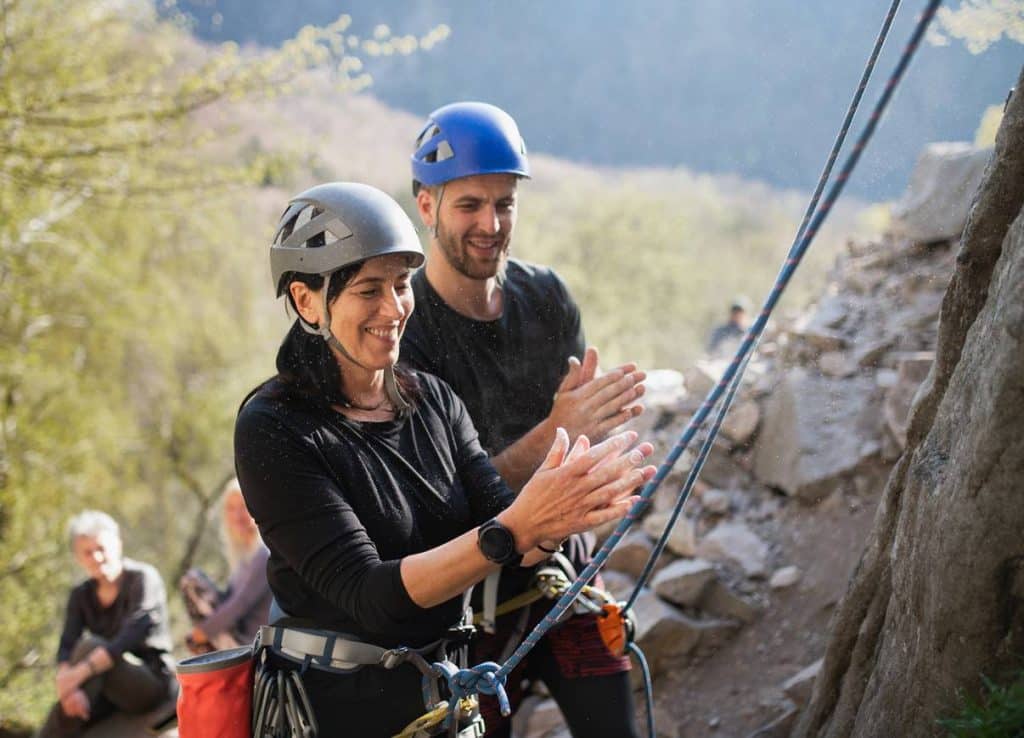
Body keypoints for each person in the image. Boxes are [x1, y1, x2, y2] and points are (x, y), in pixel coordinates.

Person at [234, 181, 656, 737]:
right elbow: (371, 595)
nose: (394, 308)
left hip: (440, 702)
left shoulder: (431, 400)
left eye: (402, 285)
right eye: (368, 290)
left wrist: (558, 516)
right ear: (306, 300)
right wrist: (515, 528)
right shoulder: (276, 427)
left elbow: (505, 521)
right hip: (339, 711)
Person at [401, 101, 646, 737]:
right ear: (426, 206)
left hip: (559, 575)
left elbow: (580, 435)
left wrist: (596, 451)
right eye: (470, 205)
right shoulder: (405, 331)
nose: (491, 223)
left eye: (504, 204)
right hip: (466, 598)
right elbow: (442, 500)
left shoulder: (546, 298)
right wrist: (556, 431)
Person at [36, 511, 176, 738]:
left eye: (101, 548)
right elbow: (67, 645)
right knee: (76, 686)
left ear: (118, 545)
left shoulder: (143, 579)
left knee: (90, 647)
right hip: (109, 690)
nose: (97, 558)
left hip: (151, 683)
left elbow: (130, 636)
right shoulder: (80, 594)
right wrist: (68, 687)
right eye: (88, 552)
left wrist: (78, 674)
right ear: (78, 558)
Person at [179, 477, 271, 652]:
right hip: (237, 638)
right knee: (192, 580)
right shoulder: (243, 557)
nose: (237, 515)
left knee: (191, 582)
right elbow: (228, 600)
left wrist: (202, 633)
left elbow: (240, 604)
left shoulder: (264, 553)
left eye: (243, 507)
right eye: (231, 508)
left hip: (253, 645)